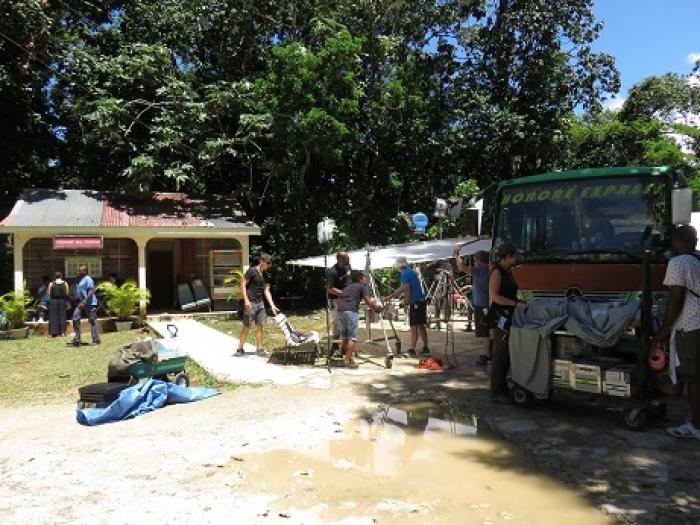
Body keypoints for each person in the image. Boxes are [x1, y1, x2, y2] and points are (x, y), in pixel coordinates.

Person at [654, 225, 700, 439]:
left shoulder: (679, 262)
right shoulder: (698, 259)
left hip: (691, 326)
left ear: (676, 241)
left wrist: (664, 329)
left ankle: (696, 426)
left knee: (693, 378)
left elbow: (676, 299)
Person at [488, 243, 528, 404]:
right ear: (508, 256)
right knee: (500, 354)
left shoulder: (508, 272)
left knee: (507, 354)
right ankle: (496, 391)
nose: (517, 258)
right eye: (515, 255)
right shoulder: (497, 272)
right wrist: (516, 304)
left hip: (509, 315)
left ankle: (503, 387)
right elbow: (494, 296)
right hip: (500, 317)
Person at [235, 253, 279, 358]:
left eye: (269, 263)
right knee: (247, 326)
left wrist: (272, 305)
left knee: (259, 326)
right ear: (261, 261)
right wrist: (246, 300)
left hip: (260, 303)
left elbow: (266, 291)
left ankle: (260, 349)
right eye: (267, 262)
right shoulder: (252, 271)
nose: (268, 265)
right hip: (250, 303)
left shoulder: (266, 275)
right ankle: (240, 348)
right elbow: (242, 285)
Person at [385, 257, 429, 357]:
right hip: (421, 301)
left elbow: (407, 290)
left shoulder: (404, 273)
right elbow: (403, 288)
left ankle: (412, 350)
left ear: (399, 266)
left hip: (415, 302)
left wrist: (405, 304)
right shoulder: (410, 271)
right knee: (421, 325)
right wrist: (391, 296)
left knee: (414, 326)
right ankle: (426, 348)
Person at [454, 247, 491, 364]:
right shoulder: (488, 270)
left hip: (482, 306)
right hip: (486, 305)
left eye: (475, 260)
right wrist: (470, 287)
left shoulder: (480, 270)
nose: (474, 262)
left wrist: (457, 256)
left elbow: (462, 267)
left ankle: (488, 356)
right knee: (486, 332)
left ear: (479, 260)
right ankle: (488, 354)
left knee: (484, 333)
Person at [337, 271, 378, 368]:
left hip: (340, 312)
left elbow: (340, 299)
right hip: (351, 311)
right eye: (363, 278)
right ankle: (347, 361)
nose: (364, 280)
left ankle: (345, 358)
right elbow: (368, 301)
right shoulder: (361, 287)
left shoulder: (347, 287)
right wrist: (376, 308)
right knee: (352, 337)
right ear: (360, 279)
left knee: (345, 337)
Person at [327, 252, 352, 353]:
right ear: (340, 259)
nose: (349, 260)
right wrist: (343, 293)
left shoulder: (348, 267)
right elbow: (330, 288)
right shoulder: (332, 272)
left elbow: (349, 279)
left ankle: (344, 348)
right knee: (337, 325)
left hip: (347, 300)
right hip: (336, 300)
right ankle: (335, 346)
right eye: (347, 258)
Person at [71, 265, 100, 346]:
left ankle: (96, 340)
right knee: (75, 318)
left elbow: (91, 291)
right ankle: (77, 338)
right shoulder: (81, 280)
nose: (78, 272)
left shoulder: (88, 279)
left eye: (80, 271)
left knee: (92, 321)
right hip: (82, 303)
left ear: (84, 271)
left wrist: (85, 301)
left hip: (89, 303)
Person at [47, 271, 69, 337]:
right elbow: (67, 293)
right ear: (61, 276)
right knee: (62, 316)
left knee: (53, 316)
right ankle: (63, 332)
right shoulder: (65, 283)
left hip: (53, 301)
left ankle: (54, 332)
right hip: (62, 300)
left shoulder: (51, 283)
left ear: (55, 276)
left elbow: (48, 293)